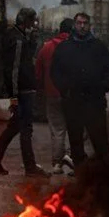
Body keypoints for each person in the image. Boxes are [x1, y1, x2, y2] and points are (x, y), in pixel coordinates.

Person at [0, 8, 48, 177]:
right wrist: (13, 97)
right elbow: (13, 70)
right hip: (23, 91)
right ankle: (30, 167)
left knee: (14, 127)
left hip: (22, 90)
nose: (34, 24)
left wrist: (32, 41)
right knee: (26, 129)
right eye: (32, 21)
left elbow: (23, 61)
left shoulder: (18, 37)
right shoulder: (18, 40)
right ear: (26, 21)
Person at [50, 12, 109, 164]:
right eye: (79, 23)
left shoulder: (98, 47)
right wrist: (65, 90)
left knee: (100, 140)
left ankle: (105, 171)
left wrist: (103, 87)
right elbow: (55, 72)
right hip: (73, 101)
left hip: (95, 101)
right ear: (74, 25)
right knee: (76, 141)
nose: (82, 26)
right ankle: (80, 172)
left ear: (89, 25)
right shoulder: (64, 47)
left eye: (85, 23)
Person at [36, 17, 75, 175]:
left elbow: (38, 72)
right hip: (72, 95)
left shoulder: (46, 47)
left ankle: (57, 164)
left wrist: (43, 88)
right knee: (78, 128)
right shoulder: (76, 48)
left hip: (52, 94)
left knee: (57, 130)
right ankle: (72, 156)